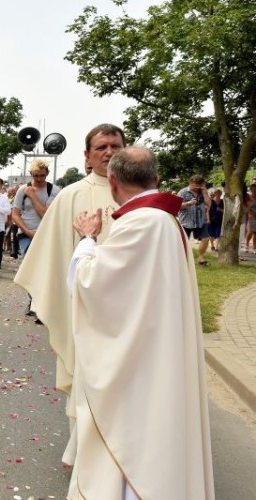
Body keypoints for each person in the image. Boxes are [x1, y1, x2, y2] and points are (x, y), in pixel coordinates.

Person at [66, 146, 213, 499]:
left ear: (112, 181)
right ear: (157, 179)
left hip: (141, 359)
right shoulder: (164, 221)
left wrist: (87, 239)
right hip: (156, 343)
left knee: (136, 433)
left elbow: (86, 284)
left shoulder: (141, 223)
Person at [14, 123, 126, 466]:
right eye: (101, 147)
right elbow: (51, 252)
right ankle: (80, 446)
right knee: (86, 374)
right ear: (87, 157)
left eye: (116, 146)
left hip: (126, 305)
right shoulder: (72, 195)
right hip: (84, 306)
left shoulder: (135, 196)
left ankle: (120, 446)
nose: (109, 152)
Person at [11, 160, 61, 316]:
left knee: (45, 269)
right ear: (31, 174)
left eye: (42, 175)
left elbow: (46, 214)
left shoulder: (54, 190)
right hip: (27, 235)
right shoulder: (21, 190)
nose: (39, 179)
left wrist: (33, 196)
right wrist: (26, 230)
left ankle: (41, 304)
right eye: (36, 175)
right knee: (31, 268)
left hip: (47, 234)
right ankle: (33, 301)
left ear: (47, 174)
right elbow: (15, 214)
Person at [178, 174, 211, 266]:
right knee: (183, 242)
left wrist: (204, 192)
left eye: (199, 185)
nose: (197, 188)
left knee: (206, 238)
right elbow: (176, 206)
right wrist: (188, 203)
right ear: (191, 183)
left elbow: (209, 205)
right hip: (186, 222)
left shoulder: (202, 191)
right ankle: (182, 260)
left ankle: (201, 258)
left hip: (201, 221)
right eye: (195, 185)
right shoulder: (183, 192)